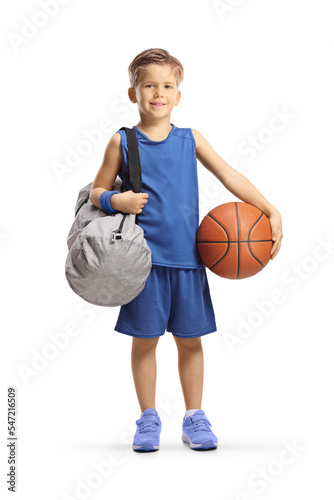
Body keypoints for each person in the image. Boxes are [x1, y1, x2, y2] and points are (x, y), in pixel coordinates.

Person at [89, 48, 283, 452]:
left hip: (190, 262)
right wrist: (116, 201)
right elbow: (96, 192)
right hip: (140, 263)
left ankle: (194, 417)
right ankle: (147, 419)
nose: (158, 93)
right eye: (149, 85)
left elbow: (229, 173)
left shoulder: (189, 139)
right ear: (132, 94)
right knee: (145, 341)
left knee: (191, 341)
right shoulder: (122, 141)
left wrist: (268, 208)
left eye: (167, 86)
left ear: (179, 95)